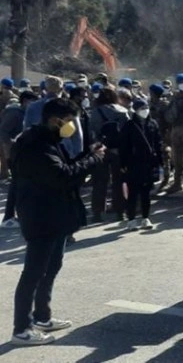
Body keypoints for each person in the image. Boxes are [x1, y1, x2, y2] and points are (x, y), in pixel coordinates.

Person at [10, 98, 105, 345]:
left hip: (56, 213)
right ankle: (21, 328)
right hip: (41, 215)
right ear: (56, 120)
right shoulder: (34, 145)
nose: (72, 126)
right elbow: (62, 176)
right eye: (70, 121)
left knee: (51, 267)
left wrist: (88, 155)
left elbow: (66, 168)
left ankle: (42, 316)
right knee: (33, 272)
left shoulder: (50, 141)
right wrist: (92, 161)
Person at [119, 99, 163, 231]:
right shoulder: (129, 125)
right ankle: (131, 219)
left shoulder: (153, 124)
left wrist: (160, 162)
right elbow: (123, 146)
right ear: (136, 111)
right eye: (141, 108)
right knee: (132, 193)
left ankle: (145, 217)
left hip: (148, 163)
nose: (145, 110)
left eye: (146, 107)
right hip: (133, 163)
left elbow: (158, 143)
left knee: (146, 193)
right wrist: (123, 163)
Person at [89, 89, 130, 223]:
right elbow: (128, 130)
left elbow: (91, 133)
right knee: (119, 181)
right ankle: (120, 211)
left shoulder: (95, 112)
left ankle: (97, 212)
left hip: (101, 149)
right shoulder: (123, 110)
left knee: (100, 181)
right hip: (118, 150)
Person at [0, 91, 38, 230]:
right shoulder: (14, 113)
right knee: (16, 185)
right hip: (15, 155)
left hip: (22, 154)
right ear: (24, 101)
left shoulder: (26, 114)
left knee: (19, 185)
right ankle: (9, 217)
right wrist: (15, 144)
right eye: (31, 101)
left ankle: (15, 215)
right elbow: (3, 132)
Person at [148, 83, 172, 188]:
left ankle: (166, 178)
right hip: (150, 133)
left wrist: (168, 135)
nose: (150, 94)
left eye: (151, 93)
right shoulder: (148, 104)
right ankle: (152, 178)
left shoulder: (164, 105)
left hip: (162, 133)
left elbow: (169, 121)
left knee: (164, 157)